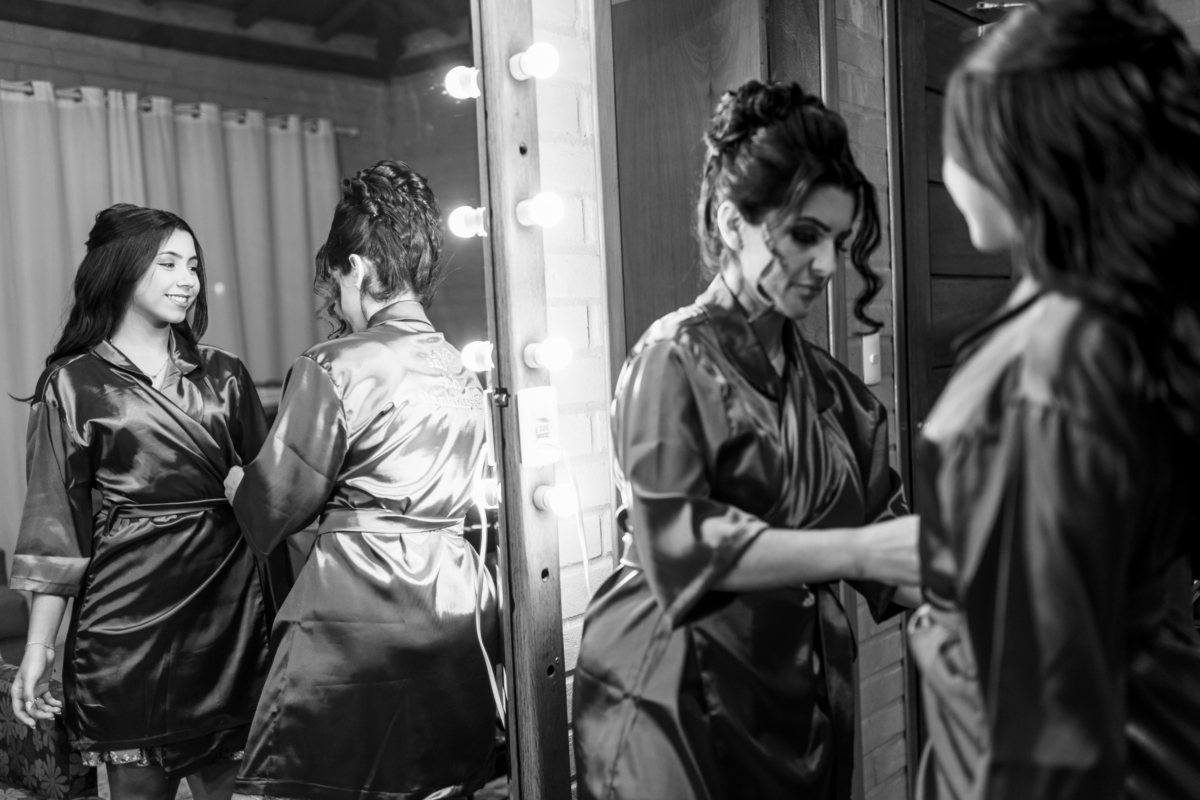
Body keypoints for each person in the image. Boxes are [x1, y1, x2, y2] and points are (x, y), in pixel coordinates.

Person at [572, 80, 922, 800]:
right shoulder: (671, 361)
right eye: (804, 236)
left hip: (792, 697)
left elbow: (894, 547)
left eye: (837, 242)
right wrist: (854, 551)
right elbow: (677, 542)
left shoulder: (834, 392)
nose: (827, 266)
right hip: (670, 691)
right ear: (733, 223)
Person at [909, 0, 1200, 797]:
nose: (948, 162)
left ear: (1026, 152)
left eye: (961, 135)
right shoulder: (1123, 323)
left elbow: (1048, 741)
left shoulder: (1040, 374)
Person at [225, 160, 500, 800]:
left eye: (337, 279)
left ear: (355, 267)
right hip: (455, 599)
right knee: (433, 781)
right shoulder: (462, 369)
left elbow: (272, 509)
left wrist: (240, 482)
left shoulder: (337, 364)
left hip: (357, 608)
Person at [8, 203, 274, 800]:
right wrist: (39, 647)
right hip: (125, 626)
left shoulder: (225, 375)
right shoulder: (72, 384)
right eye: (168, 264)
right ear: (123, 269)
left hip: (230, 615)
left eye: (194, 266)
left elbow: (272, 501)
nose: (188, 280)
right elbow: (56, 531)